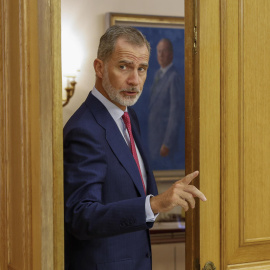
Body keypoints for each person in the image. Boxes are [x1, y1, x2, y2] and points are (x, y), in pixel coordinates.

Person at [64, 25, 206, 270]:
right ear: (99, 67)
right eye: (124, 66)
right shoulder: (84, 129)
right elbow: (81, 217)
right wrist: (155, 204)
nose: (135, 80)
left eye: (142, 69)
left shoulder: (129, 118)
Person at [148, 38, 185, 170]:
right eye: (159, 52)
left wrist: (167, 144)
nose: (161, 55)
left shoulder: (174, 77)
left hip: (164, 142)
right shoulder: (158, 73)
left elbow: (175, 114)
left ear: (171, 54)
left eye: (164, 51)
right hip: (154, 138)